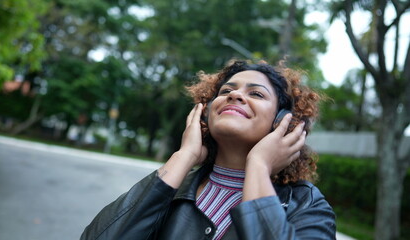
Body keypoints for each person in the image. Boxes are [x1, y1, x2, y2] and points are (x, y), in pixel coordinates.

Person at [81, 60, 336, 240]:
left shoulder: (306, 204)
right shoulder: (172, 184)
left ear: (284, 121)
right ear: (205, 113)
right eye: (226, 91)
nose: (235, 96)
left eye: (256, 94)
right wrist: (184, 156)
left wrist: (258, 166)